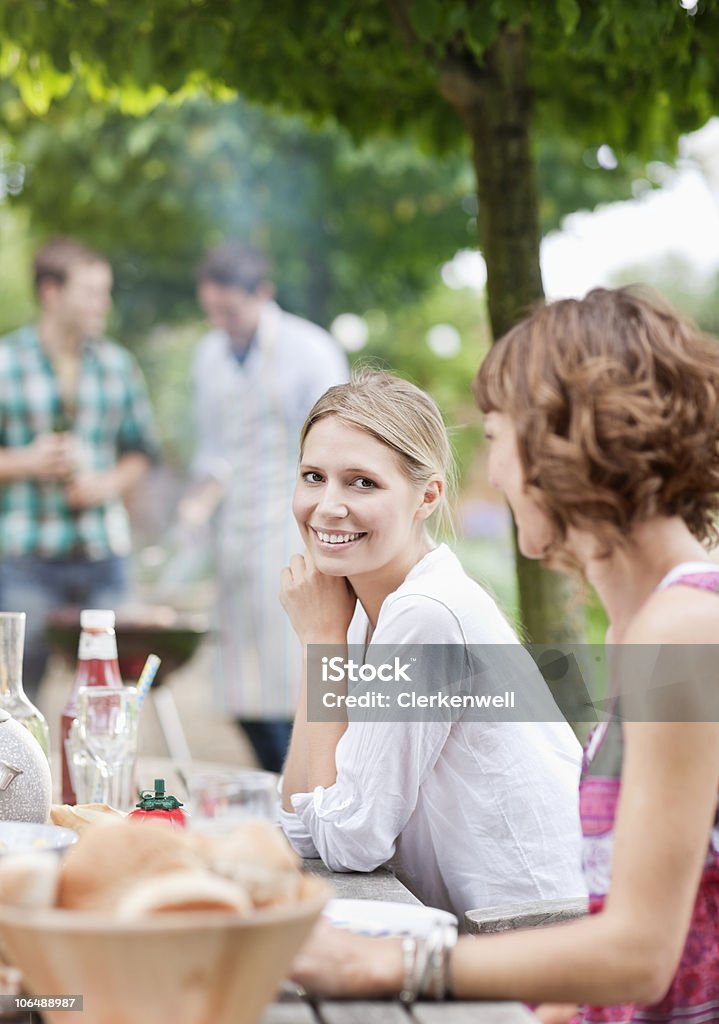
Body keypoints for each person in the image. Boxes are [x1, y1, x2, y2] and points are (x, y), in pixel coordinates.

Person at [288, 289, 719, 1024]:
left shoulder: (679, 631)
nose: (493, 473)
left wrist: (383, 962)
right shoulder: (646, 626)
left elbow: (639, 955)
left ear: (566, 447)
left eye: (495, 437)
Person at [279, 369, 585, 917]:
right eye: (312, 476)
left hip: (532, 945)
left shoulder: (427, 615)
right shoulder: (358, 607)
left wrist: (321, 643)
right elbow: (304, 827)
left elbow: (348, 842)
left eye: (362, 482)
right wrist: (321, 639)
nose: (327, 505)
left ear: (428, 496)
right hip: (468, 931)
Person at [182, 243, 348, 773]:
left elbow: (337, 450)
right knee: (237, 682)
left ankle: (300, 782)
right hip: (232, 531)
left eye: (231, 311)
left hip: (291, 527)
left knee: (290, 670)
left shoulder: (310, 350)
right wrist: (196, 502)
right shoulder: (208, 356)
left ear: (263, 295)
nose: (222, 324)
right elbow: (213, 451)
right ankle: (272, 777)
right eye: (213, 313)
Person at [0, 238, 157, 702]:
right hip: (26, 558)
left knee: (107, 695)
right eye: (91, 291)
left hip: (104, 557)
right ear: (51, 292)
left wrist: (107, 483)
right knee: (14, 695)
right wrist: (24, 461)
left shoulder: (117, 365)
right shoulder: (4, 361)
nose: (103, 303)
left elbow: (141, 451)